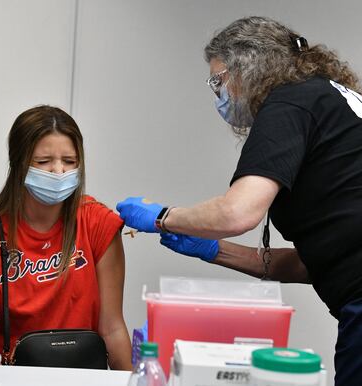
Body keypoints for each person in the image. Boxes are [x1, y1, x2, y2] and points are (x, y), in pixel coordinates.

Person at [116, 16, 362, 386]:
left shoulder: (289, 102)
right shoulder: (328, 98)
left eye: (218, 81)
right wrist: (216, 250)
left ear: (249, 68)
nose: (218, 95)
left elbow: (238, 211)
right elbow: (324, 259)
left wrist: (163, 217)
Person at [0, 105, 132, 370]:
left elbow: (112, 328)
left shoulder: (97, 223)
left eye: (69, 161)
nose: (58, 171)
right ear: (18, 164)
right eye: (43, 162)